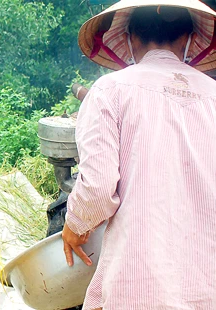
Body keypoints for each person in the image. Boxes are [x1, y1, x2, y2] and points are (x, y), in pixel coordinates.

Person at [61, 1, 216, 309]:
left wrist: (75, 226)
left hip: (140, 288)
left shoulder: (109, 91)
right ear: (188, 37)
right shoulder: (212, 96)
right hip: (207, 287)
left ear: (130, 38)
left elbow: (98, 187)